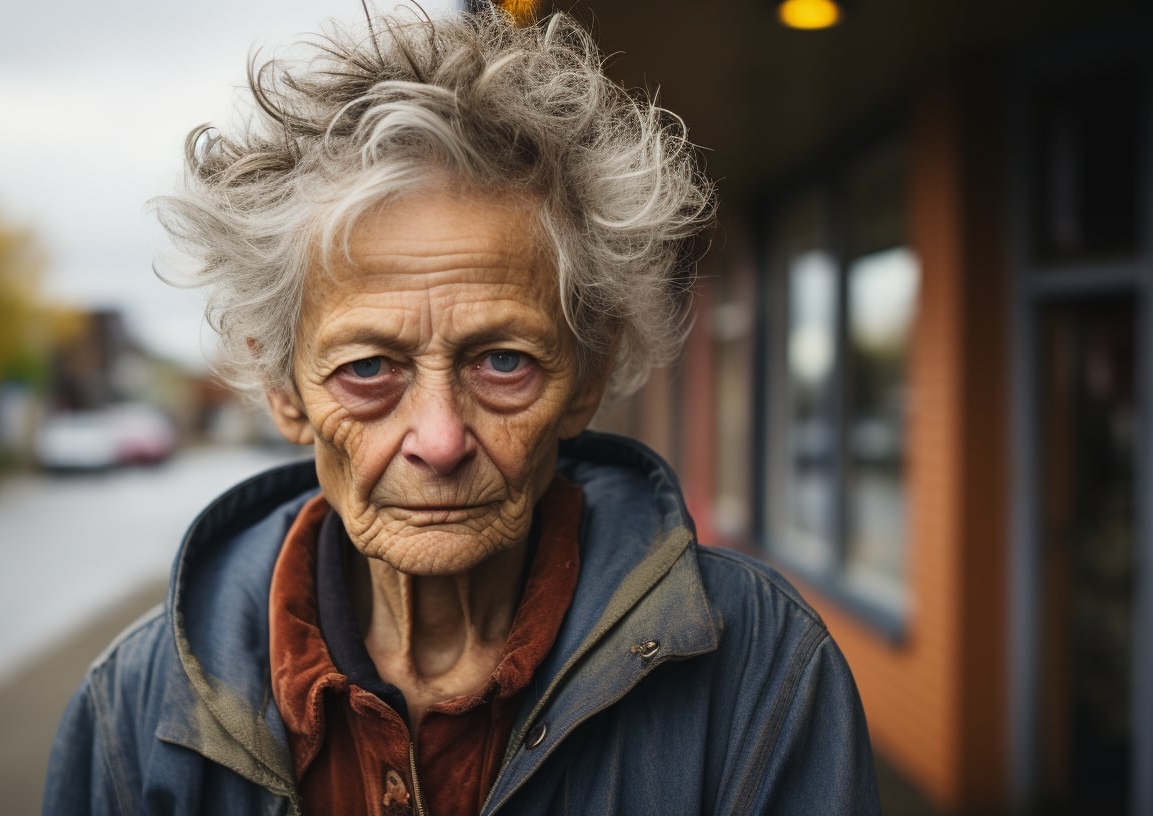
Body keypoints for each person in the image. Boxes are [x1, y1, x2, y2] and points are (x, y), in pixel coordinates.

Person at [44, 6, 880, 814]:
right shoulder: (132, 708)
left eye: (503, 362)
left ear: (587, 377)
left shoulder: (762, 669)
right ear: (283, 391)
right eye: (369, 368)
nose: (440, 441)